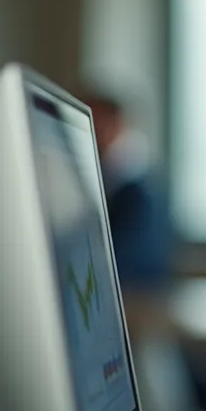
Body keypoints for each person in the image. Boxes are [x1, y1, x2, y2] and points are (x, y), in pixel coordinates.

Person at [81, 86, 172, 287]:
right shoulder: (139, 167)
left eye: (96, 121)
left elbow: (125, 258)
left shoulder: (132, 183)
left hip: (135, 289)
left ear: (115, 122)